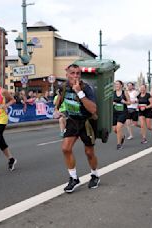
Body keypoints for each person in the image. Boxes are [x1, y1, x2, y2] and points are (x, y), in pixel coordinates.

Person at [55, 64, 100, 193]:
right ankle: (74, 178)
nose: (75, 76)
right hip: (73, 121)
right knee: (65, 148)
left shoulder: (86, 88)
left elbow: (93, 109)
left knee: (89, 152)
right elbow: (59, 98)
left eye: (78, 73)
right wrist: (57, 110)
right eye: (72, 73)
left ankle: (95, 174)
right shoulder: (64, 87)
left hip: (87, 122)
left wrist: (79, 92)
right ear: (67, 74)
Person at [112, 80, 130, 149]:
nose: (116, 85)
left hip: (123, 112)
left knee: (119, 127)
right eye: (115, 84)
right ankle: (122, 137)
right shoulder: (113, 93)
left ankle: (119, 144)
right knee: (115, 130)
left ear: (121, 85)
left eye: (117, 84)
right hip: (115, 112)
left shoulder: (124, 93)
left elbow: (129, 102)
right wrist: (112, 103)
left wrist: (124, 102)